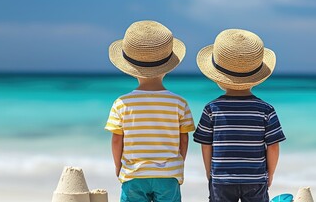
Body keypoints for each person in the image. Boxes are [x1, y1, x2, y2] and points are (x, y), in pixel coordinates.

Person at [105, 20, 195, 202]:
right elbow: (184, 140)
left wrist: (118, 166)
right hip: (168, 176)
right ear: (168, 67)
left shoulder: (122, 103)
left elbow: (116, 140)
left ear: (130, 68)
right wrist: (178, 165)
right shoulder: (179, 103)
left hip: (134, 174)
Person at [193, 29, 286, 202]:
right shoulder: (266, 109)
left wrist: (209, 172)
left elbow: (206, 145)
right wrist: (270, 174)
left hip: (221, 179)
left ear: (218, 77)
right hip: (255, 179)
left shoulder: (211, 109)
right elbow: (273, 146)